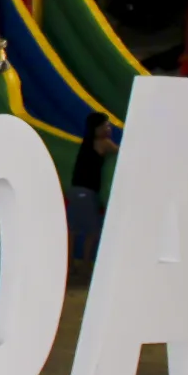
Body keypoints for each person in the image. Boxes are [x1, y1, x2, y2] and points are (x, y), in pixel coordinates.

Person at [67, 113, 116, 276]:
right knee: (92, 231)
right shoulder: (104, 143)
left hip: (75, 191)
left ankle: (70, 264)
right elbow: (122, 153)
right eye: (105, 126)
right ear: (96, 129)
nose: (108, 128)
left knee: (73, 230)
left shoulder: (86, 143)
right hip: (86, 192)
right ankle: (86, 266)